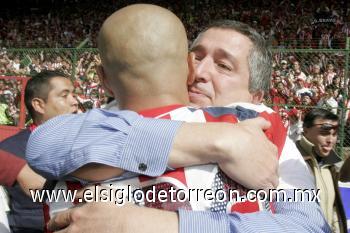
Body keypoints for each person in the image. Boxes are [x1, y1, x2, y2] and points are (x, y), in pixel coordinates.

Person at [29, 4, 329, 233]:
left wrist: (163, 225)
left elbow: (307, 226)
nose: (198, 73)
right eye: (196, 57)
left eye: (223, 66)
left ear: (256, 96)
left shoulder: (265, 133)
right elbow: (44, 145)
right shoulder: (100, 119)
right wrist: (219, 141)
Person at [0, 70, 79, 233]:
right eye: (64, 96)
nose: (75, 101)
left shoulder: (93, 144)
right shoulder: (11, 149)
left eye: (73, 94)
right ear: (39, 105)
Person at [295, 109, 348, 232]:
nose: (330, 140)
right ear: (306, 130)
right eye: (324, 133)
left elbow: (333, 209)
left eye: (334, 134)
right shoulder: (291, 160)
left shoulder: (331, 165)